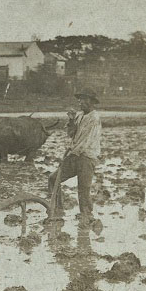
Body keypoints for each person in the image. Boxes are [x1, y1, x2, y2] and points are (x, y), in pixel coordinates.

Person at [48, 90, 102, 225]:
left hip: (86, 157)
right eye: (79, 100)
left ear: (90, 101)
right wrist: (72, 121)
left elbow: (85, 141)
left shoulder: (94, 119)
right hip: (74, 155)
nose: (80, 102)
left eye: (83, 100)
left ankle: (87, 216)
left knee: (83, 189)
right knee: (53, 179)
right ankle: (57, 209)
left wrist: (69, 154)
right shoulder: (79, 116)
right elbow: (71, 134)